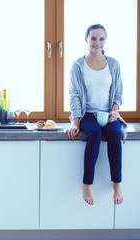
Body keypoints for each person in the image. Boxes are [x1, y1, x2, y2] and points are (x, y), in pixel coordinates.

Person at [65, 24, 127, 205]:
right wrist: (76, 123)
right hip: (87, 115)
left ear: (105, 41)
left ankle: (117, 183)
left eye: (101, 39)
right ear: (86, 40)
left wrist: (114, 112)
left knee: (114, 133)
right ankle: (87, 184)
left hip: (108, 114)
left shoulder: (114, 64)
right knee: (95, 133)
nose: (97, 42)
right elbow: (74, 95)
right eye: (93, 38)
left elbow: (118, 94)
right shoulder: (78, 65)